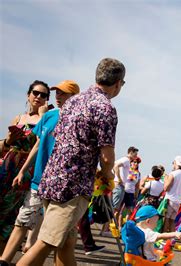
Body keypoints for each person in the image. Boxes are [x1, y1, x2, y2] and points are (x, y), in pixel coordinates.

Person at [17, 58, 125, 266]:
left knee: (66, 242)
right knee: (46, 242)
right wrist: (108, 174)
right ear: (118, 83)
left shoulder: (73, 101)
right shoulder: (105, 107)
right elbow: (107, 157)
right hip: (72, 187)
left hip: (52, 179)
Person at [0, 80, 81, 264]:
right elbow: (38, 144)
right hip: (36, 179)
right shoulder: (49, 115)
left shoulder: (77, 119)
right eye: (57, 93)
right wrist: (22, 171)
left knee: (56, 234)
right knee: (23, 220)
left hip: (59, 184)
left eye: (64, 94)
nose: (59, 97)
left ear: (75, 97)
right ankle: (4, 260)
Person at [0, 80, 50, 252]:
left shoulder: (47, 119)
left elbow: (43, 143)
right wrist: (10, 140)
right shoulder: (19, 118)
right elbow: (6, 145)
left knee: (12, 213)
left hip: (28, 169)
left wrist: (44, 117)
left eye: (43, 95)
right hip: (8, 165)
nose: (38, 97)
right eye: (35, 93)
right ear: (28, 95)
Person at [112, 146, 139, 229]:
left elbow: (114, 166)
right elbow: (115, 166)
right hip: (121, 187)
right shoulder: (126, 160)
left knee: (117, 209)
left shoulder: (127, 162)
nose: (136, 156)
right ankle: (111, 228)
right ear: (131, 152)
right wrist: (119, 179)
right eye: (135, 154)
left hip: (122, 187)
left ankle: (114, 227)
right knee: (116, 209)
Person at [163, 156, 181, 233]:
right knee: (173, 221)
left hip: (170, 199)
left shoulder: (173, 173)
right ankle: (171, 239)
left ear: (175, 162)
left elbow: (166, 188)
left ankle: (164, 238)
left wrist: (165, 179)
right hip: (178, 200)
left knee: (166, 219)